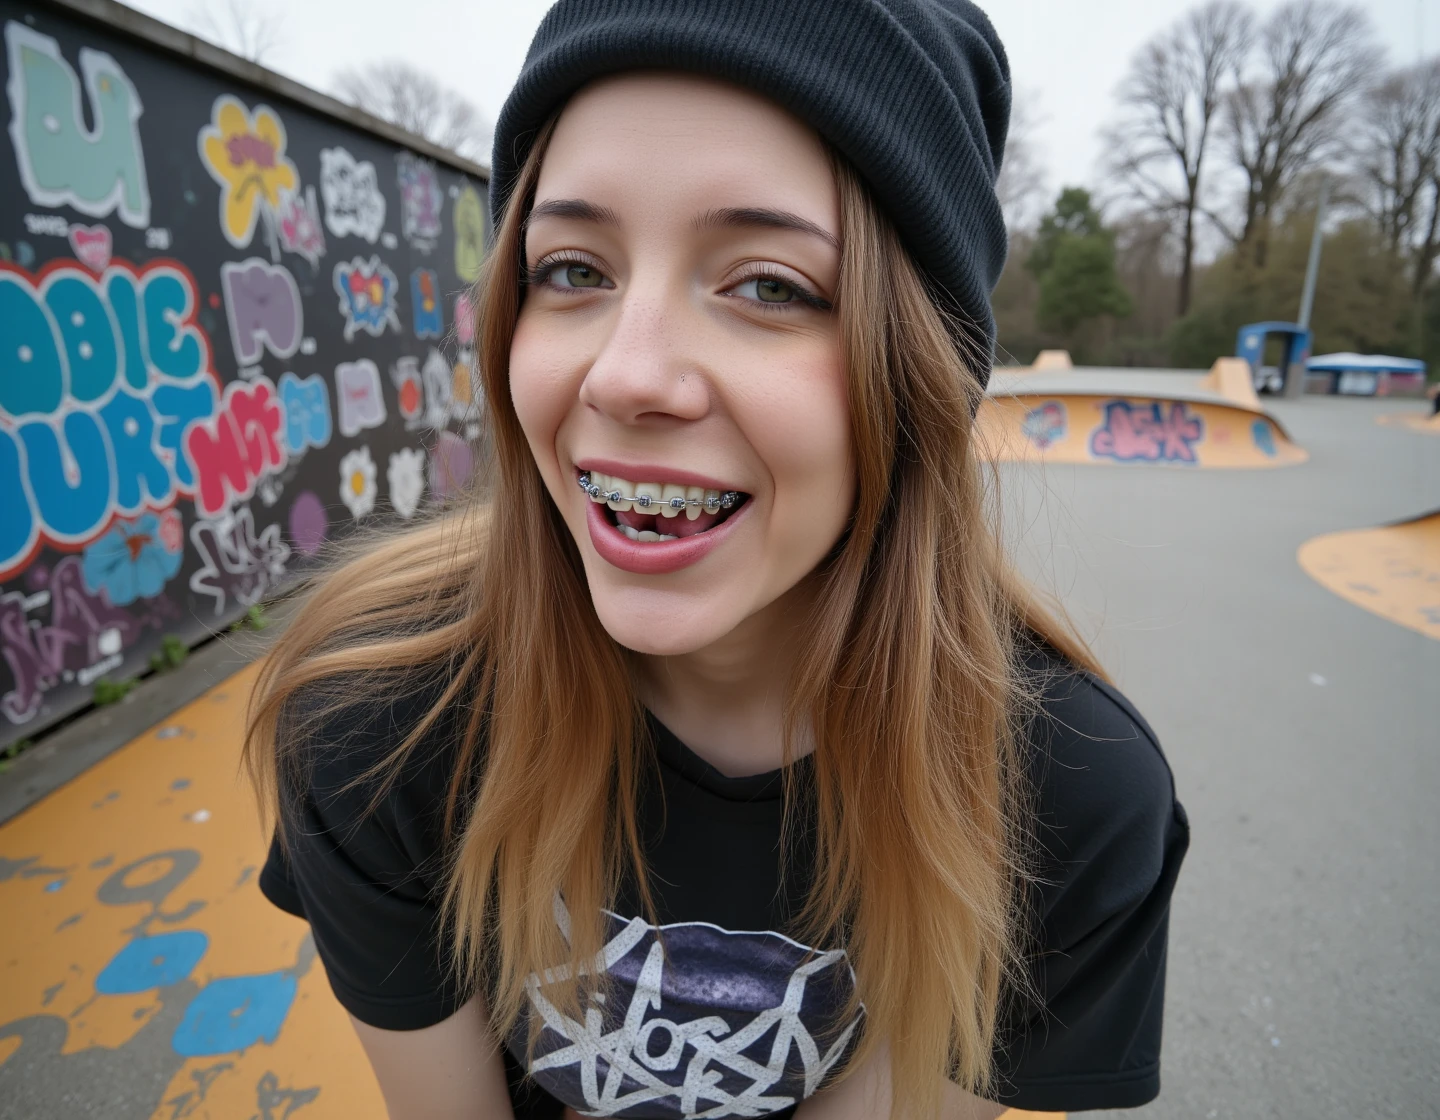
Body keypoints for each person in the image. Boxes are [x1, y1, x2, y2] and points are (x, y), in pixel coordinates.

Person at [249, 2, 1189, 1117]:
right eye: (572, 269)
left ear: (925, 373)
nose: (624, 375)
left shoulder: (1061, 798)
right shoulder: (382, 715)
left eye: (771, 285)